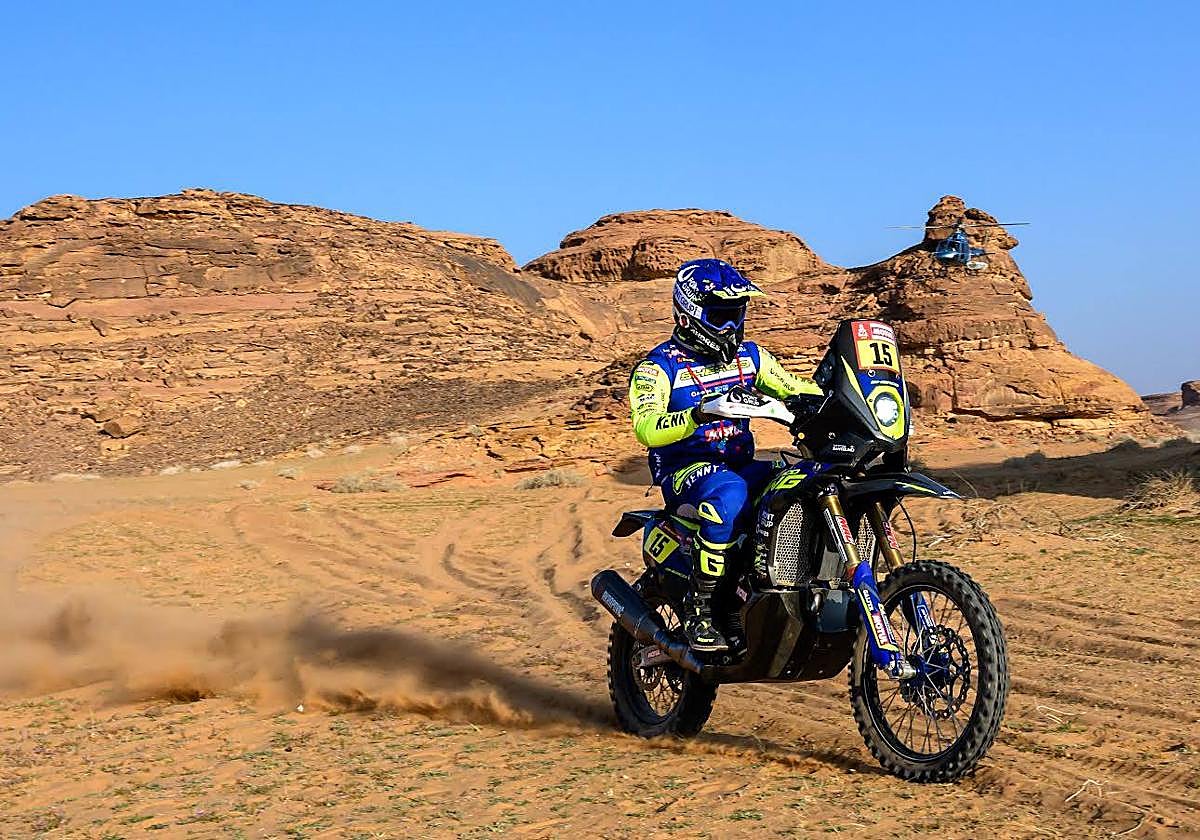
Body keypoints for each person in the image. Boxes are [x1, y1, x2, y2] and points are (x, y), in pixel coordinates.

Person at [628, 259, 824, 651]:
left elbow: (794, 386)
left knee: (806, 483)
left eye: (736, 313)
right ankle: (700, 608)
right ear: (688, 314)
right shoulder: (657, 367)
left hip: (740, 463)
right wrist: (700, 412)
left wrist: (837, 399)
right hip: (684, 471)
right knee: (729, 494)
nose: (731, 326)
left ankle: (775, 582)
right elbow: (645, 428)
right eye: (720, 315)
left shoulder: (751, 357)